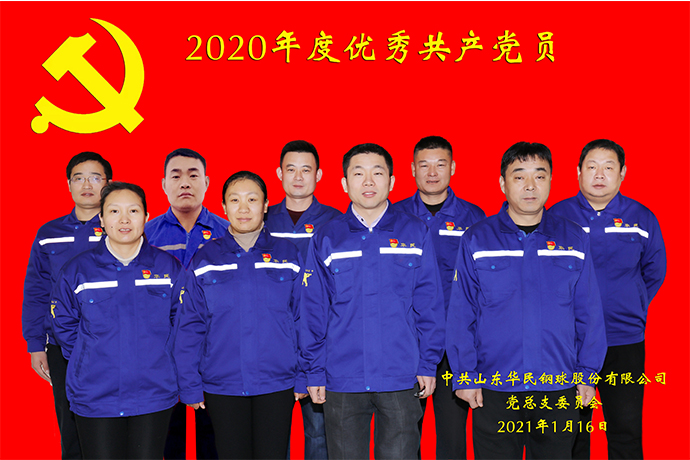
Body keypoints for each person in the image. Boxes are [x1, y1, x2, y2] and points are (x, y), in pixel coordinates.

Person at [447, 142, 607, 459]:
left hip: (557, 386)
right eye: (519, 177)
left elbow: (589, 312)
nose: (530, 186)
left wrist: (588, 374)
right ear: (502, 183)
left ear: (551, 181)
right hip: (495, 387)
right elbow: (461, 313)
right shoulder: (477, 238)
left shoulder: (574, 238)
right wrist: (464, 375)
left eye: (539, 176)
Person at [299, 143, 445, 459]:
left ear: (391, 181)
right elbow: (313, 310)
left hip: (401, 375)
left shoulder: (415, 232)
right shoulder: (327, 237)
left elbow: (429, 304)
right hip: (342, 376)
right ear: (344, 183)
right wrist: (314, 370)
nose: (368, 182)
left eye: (377, 173)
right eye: (358, 173)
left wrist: (427, 362)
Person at [549, 139, 666, 459]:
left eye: (608, 167)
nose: (599, 175)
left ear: (622, 173)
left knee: (625, 428)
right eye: (592, 167)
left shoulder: (641, 217)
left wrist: (631, 303)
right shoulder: (557, 217)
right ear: (578, 172)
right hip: (569, 342)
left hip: (623, 339)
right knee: (572, 431)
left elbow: (655, 270)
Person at [51, 182, 185, 459]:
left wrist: (163, 361)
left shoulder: (168, 268)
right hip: (95, 395)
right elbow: (64, 326)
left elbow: (182, 324)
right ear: (101, 219)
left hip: (153, 394)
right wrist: (91, 357)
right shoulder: (78, 271)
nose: (124, 219)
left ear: (146, 217)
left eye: (133, 211)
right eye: (114, 211)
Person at [175, 171, 302, 459]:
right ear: (223, 207)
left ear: (266, 205)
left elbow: (303, 319)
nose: (243, 208)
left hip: (277, 382)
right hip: (222, 384)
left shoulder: (288, 255)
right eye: (235, 200)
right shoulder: (205, 259)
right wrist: (190, 384)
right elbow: (190, 325)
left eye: (252, 199)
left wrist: (305, 374)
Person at [394, 136, 485, 459]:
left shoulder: (473, 217)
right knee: (404, 435)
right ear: (412, 169)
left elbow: (482, 284)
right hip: (407, 341)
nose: (432, 172)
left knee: (452, 436)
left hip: (455, 343)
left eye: (440, 164)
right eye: (424, 165)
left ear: (453, 168)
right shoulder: (395, 216)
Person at [22, 151, 113, 459]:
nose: (87, 185)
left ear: (108, 183)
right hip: (62, 347)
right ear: (68, 184)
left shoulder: (121, 228)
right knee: (70, 423)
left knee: (116, 421)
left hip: (112, 343)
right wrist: (36, 344)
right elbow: (36, 291)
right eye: (79, 178)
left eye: (95, 178)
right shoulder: (49, 234)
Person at [146, 148, 228, 459]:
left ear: (206, 183)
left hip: (214, 348)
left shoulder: (226, 232)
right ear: (163, 184)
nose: (185, 183)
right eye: (176, 175)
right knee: (167, 438)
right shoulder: (146, 234)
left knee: (215, 437)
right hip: (161, 349)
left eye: (193, 175)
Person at [266, 140, 341, 460]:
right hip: (273, 341)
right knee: (272, 435)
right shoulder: (262, 218)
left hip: (321, 340)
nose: (298, 177)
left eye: (306, 170)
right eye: (291, 169)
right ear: (279, 173)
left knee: (320, 433)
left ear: (319, 175)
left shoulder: (336, 221)